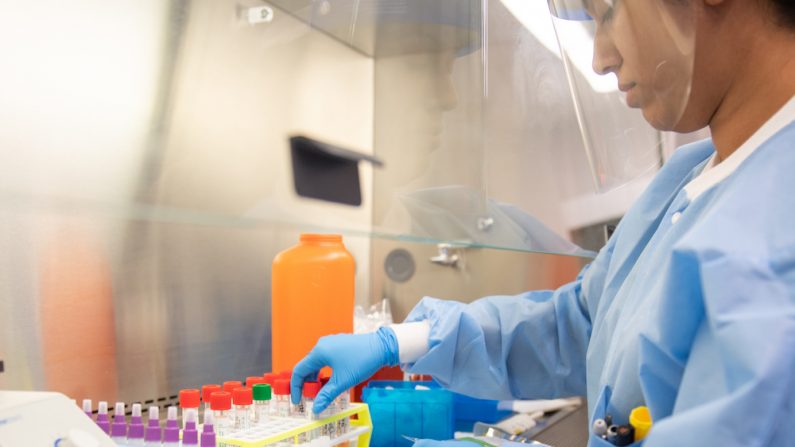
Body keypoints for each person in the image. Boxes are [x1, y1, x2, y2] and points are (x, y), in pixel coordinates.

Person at [292, 0, 795, 445]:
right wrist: (402, 340)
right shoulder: (692, 179)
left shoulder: (777, 228)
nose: (600, 58)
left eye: (607, 11)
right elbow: (577, 323)